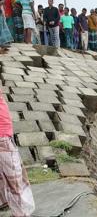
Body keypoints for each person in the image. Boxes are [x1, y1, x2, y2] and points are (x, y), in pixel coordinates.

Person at [0, 88, 35, 216]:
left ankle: (11, 206)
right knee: (13, 177)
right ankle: (21, 213)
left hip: (3, 134)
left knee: (9, 176)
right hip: (2, 136)